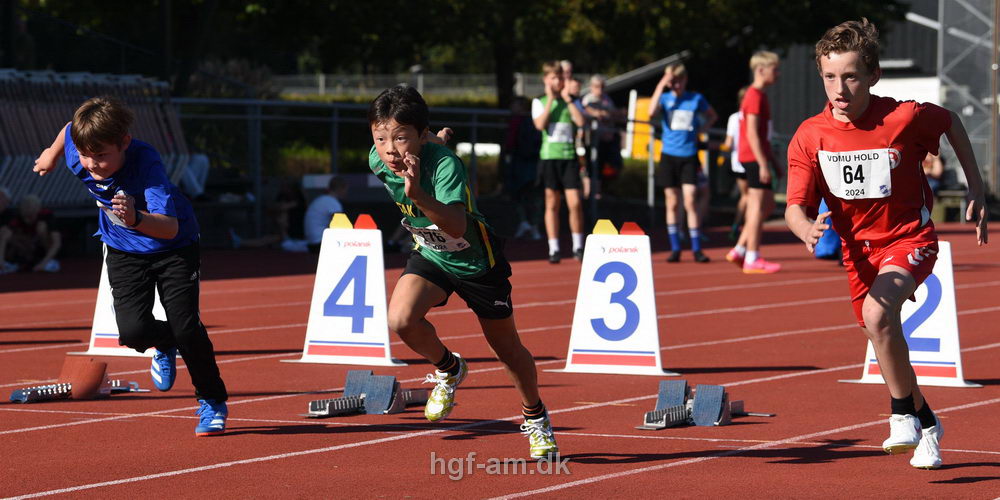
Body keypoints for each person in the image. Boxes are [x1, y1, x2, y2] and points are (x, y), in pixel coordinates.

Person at [785, 19, 988, 470]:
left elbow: (951, 121)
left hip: (909, 240)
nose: (840, 88)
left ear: (874, 75)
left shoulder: (903, 117)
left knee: (879, 314)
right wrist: (803, 228)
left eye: (851, 76)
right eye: (830, 77)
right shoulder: (810, 135)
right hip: (858, 256)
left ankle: (900, 416)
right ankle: (928, 425)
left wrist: (976, 188)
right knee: (882, 336)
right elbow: (794, 205)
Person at [368, 85, 558, 459]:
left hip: (476, 262)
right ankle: (449, 368)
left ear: (420, 135)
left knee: (506, 349)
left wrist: (420, 190)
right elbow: (406, 147)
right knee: (401, 319)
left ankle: (536, 418)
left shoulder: (446, 166)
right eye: (380, 138)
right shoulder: (379, 160)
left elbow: (455, 226)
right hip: (432, 254)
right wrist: (428, 141)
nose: (390, 149)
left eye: (401, 138)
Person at [32, 97, 229, 436]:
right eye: (84, 154)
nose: (92, 164)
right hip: (123, 249)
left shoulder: (147, 164)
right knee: (133, 333)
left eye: (102, 155)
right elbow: (69, 129)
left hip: (174, 248)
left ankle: (211, 401)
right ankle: (165, 344)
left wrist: (135, 217)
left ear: (124, 142)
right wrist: (52, 152)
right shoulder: (81, 153)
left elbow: (169, 227)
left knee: (186, 328)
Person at [649, 63, 718, 263]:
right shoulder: (665, 98)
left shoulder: (695, 99)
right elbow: (651, 112)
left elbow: (712, 115)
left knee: (690, 199)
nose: (676, 86)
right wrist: (662, 84)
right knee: (672, 202)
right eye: (672, 82)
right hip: (669, 154)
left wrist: (700, 130)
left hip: (688, 155)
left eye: (678, 81)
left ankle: (696, 248)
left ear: (685, 80)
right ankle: (675, 247)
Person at [727, 51, 782, 273]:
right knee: (757, 207)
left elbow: (763, 134)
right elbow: (751, 133)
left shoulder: (760, 95)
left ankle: (740, 249)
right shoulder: (754, 96)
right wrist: (762, 163)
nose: (777, 74)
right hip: (751, 157)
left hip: (757, 156)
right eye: (774, 69)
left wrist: (772, 161)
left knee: (766, 206)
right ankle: (752, 256)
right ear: (761, 70)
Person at [532, 61, 586, 263]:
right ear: (546, 80)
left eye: (561, 78)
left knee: (575, 202)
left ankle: (578, 245)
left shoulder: (571, 101)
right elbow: (540, 124)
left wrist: (568, 100)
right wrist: (551, 101)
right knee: (552, 203)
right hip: (549, 158)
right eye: (554, 78)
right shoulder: (539, 101)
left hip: (569, 157)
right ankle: (554, 248)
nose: (558, 81)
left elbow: (581, 122)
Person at [502, 96, 543, 240]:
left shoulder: (517, 121)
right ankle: (532, 225)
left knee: (520, 193)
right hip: (533, 161)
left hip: (520, 161)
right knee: (534, 194)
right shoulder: (535, 121)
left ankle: (527, 222)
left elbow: (510, 143)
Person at [582, 74, 624, 193]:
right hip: (593, 139)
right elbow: (590, 111)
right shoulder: (588, 99)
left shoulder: (607, 99)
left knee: (602, 167)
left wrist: (607, 114)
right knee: (591, 166)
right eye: (596, 86)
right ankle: (588, 193)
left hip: (607, 140)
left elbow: (614, 114)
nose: (599, 90)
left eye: (602, 87)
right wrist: (603, 114)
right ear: (591, 87)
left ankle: (597, 194)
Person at [0, 194, 62, 273]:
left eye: (31, 216)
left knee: (41, 228)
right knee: (5, 231)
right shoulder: (19, 217)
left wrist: (43, 263)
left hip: (44, 249)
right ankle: (11, 262)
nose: (28, 220)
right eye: (26, 217)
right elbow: (4, 236)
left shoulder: (46, 216)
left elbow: (57, 243)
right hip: (28, 249)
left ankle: (50, 261)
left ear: (37, 210)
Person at [722, 87, 749, 241]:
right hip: (749, 162)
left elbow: (728, 143)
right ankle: (744, 227)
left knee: (746, 196)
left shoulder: (733, 118)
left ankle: (738, 226)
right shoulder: (744, 117)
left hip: (738, 163)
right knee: (751, 198)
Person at [304, 175, 349, 253]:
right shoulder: (333, 203)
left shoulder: (321, 199)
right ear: (340, 189)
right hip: (319, 244)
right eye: (345, 189)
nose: (346, 192)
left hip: (311, 243)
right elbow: (340, 226)